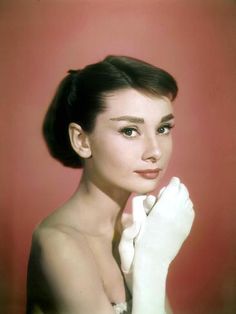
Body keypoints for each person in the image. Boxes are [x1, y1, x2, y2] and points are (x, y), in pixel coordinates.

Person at [26, 55, 195, 314]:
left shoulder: (134, 230)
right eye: (129, 131)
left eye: (163, 129)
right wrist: (151, 266)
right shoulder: (59, 244)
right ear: (82, 140)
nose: (155, 151)